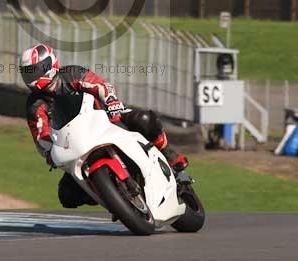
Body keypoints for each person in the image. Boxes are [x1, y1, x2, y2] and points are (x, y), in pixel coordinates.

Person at [20, 43, 188, 208]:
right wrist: (51, 152)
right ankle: (112, 198)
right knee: (66, 195)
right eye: (27, 73)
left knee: (143, 119)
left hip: (107, 121)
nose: (31, 78)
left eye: (33, 71)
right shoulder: (35, 104)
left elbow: (101, 86)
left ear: (48, 65)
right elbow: (41, 136)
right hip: (78, 144)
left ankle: (167, 153)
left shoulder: (71, 73)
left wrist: (112, 102)